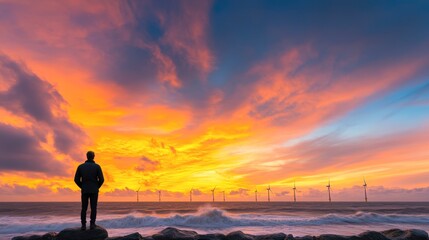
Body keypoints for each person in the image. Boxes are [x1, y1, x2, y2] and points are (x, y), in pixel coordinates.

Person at [74, 151, 104, 230]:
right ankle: (92, 224)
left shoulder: (80, 167)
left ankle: (83, 225)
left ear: (87, 156)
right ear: (93, 156)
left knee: (84, 208)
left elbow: (76, 179)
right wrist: (97, 187)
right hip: (94, 190)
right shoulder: (97, 167)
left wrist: (82, 186)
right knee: (93, 208)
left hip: (85, 190)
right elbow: (102, 179)